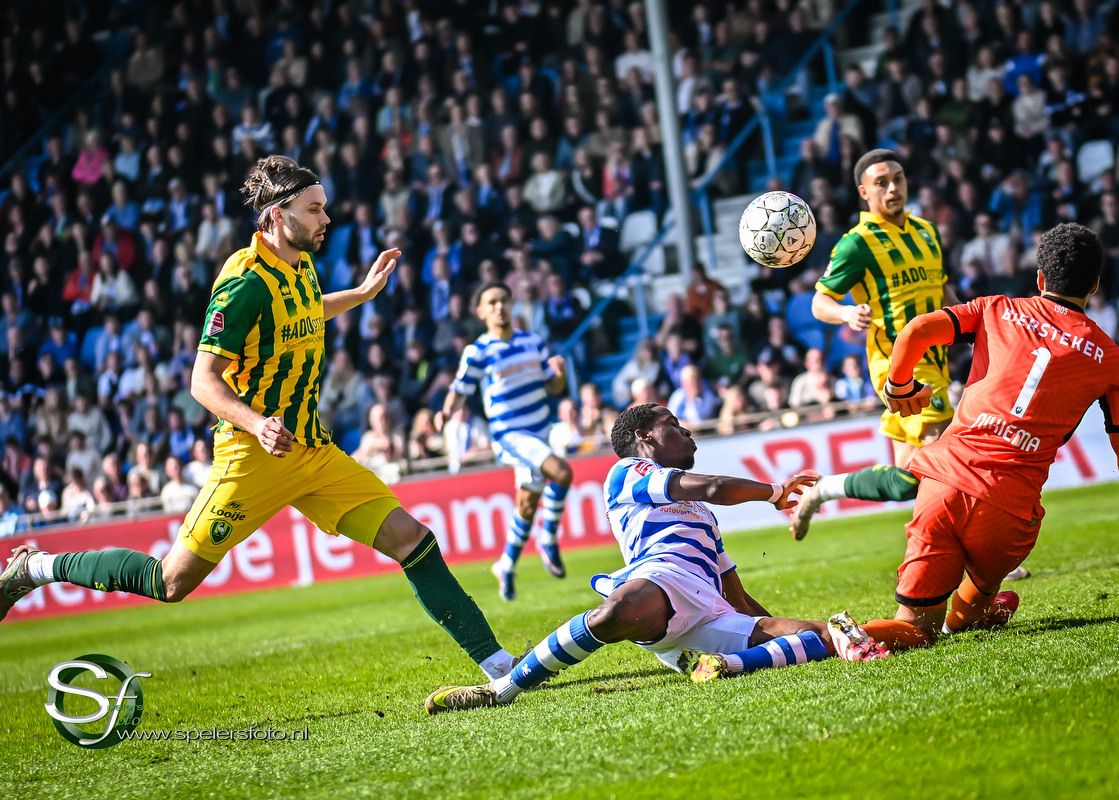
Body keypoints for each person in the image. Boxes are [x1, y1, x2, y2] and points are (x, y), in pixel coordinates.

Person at [1, 156, 519, 686]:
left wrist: (361, 295)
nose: (326, 219)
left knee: (412, 538)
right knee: (170, 582)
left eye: (324, 208)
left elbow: (304, 311)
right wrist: (256, 423)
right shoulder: (243, 282)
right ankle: (36, 567)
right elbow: (202, 381)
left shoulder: (301, 263)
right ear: (277, 215)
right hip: (253, 455)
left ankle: (501, 668)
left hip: (312, 450)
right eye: (314, 209)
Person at [857, 223, 1119, 652]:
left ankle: (843, 635)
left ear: (1040, 278)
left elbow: (917, 329)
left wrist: (899, 386)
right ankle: (980, 606)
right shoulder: (1110, 358)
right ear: (1095, 284)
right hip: (1008, 511)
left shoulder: (996, 308)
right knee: (975, 602)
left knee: (915, 629)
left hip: (943, 486)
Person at [425, 404, 890, 713]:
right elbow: (713, 486)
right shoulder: (627, 472)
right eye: (674, 424)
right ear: (644, 435)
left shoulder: (703, 516)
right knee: (616, 611)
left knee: (819, 636)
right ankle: (502, 689)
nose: (687, 432)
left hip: (708, 611)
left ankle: (723, 665)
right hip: (659, 580)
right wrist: (774, 492)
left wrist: (767, 629)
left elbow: (737, 595)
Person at [793, 150, 954, 538]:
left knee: (909, 480)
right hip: (900, 365)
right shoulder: (857, 244)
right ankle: (984, 559)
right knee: (948, 453)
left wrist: (972, 328)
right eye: (881, 182)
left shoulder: (927, 232)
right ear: (864, 192)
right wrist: (847, 314)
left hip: (938, 361)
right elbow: (820, 302)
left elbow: (942, 290)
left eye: (898, 178)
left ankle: (823, 489)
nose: (893, 188)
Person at [437, 282, 572, 600]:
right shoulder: (478, 351)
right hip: (510, 436)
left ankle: (506, 565)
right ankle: (548, 539)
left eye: (504, 300)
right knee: (562, 473)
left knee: (527, 504)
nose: (500, 306)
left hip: (540, 430)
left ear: (512, 305)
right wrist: (444, 413)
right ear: (481, 312)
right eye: (492, 302)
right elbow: (460, 389)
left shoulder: (533, 342)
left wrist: (560, 374)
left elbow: (553, 387)